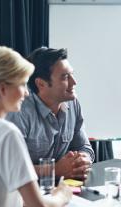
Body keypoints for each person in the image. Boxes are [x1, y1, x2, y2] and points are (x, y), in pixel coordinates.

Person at [0, 46, 73, 207]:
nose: (27, 93)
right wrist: (62, 194)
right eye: (22, 85)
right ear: (3, 89)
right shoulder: (6, 133)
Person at [6, 47, 94, 180]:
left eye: (72, 74)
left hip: (63, 189)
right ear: (41, 84)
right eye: (65, 77)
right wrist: (54, 170)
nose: (74, 82)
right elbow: (10, 168)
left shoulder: (72, 102)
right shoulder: (19, 111)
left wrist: (82, 160)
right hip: (25, 193)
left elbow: (84, 147)